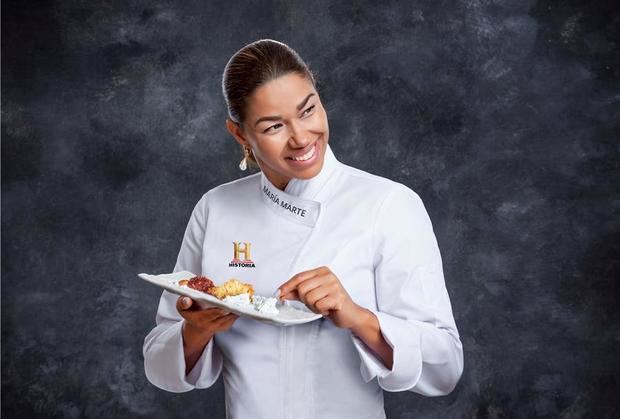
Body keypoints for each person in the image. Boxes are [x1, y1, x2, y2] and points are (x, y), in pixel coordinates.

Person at [143, 39, 463, 419]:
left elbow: (445, 368)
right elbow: (158, 364)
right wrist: (196, 330)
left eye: (308, 110)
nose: (301, 137)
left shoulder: (389, 204)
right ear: (240, 135)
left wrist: (358, 317)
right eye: (274, 126)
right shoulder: (216, 208)